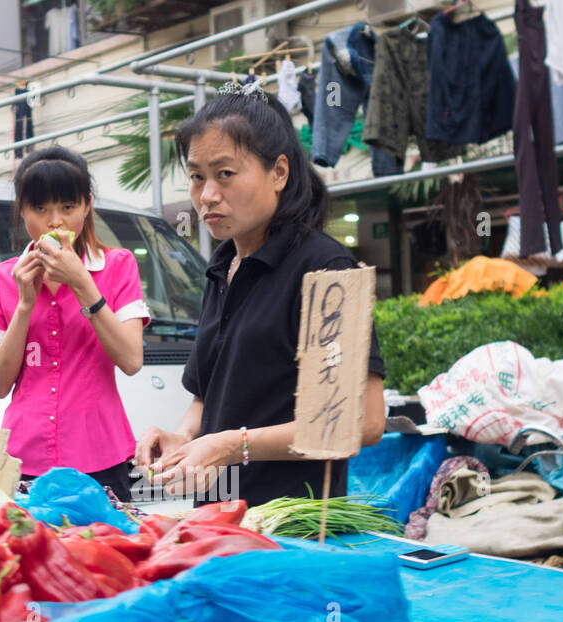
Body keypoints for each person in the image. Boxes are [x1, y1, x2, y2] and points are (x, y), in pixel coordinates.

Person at [135, 83, 387, 507]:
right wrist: (182, 438)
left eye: (225, 174)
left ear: (279, 173)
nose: (207, 196)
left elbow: (361, 421)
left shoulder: (326, 271)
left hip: (293, 530)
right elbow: (206, 398)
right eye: (197, 177)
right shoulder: (221, 267)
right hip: (219, 521)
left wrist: (234, 445)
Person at [0, 146, 150, 502]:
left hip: (102, 457)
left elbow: (131, 360)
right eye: (40, 209)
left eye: (67, 208)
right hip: (21, 459)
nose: (54, 221)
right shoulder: (0, 278)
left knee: (104, 553)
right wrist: (26, 303)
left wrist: (82, 283)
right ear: (22, 210)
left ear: (87, 206)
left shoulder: (118, 266)